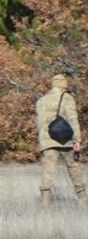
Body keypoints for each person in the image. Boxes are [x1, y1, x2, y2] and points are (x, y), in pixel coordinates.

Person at [34, 73, 85, 208]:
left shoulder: (41, 101)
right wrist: (77, 140)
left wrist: (43, 141)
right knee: (74, 168)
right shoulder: (66, 98)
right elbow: (72, 119)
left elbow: (39, 124)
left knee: (48, 171)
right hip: (65, 140)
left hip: (46, 141)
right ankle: (83, 200)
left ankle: (45, 204)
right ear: (64, 85)